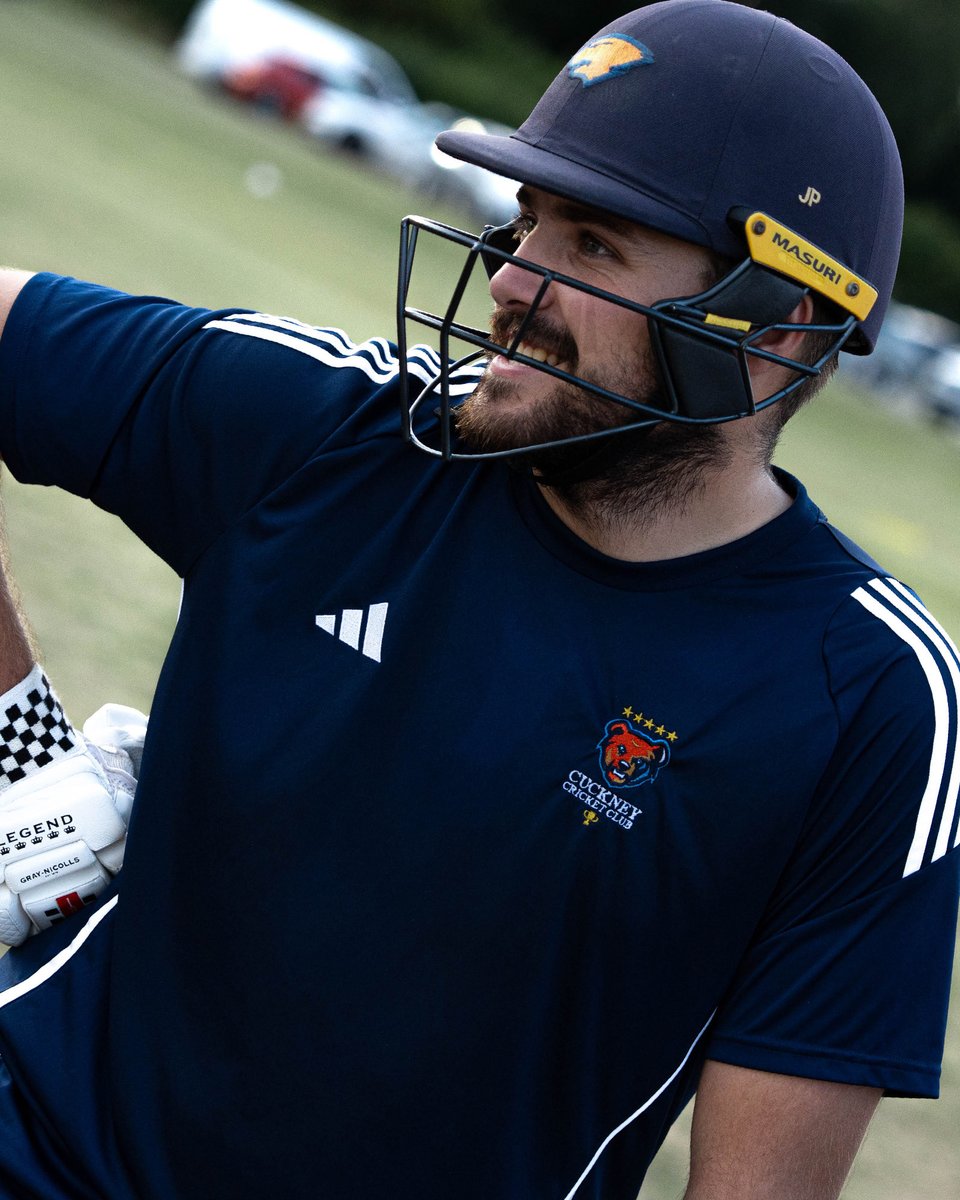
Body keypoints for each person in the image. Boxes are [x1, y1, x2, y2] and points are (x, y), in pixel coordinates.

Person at [0, 1, 956, 1197]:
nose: (512, 279)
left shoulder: (863, 698)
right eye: (526, 223)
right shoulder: (336, 432)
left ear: (775, 330)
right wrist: (19, 754)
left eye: (594, 246)